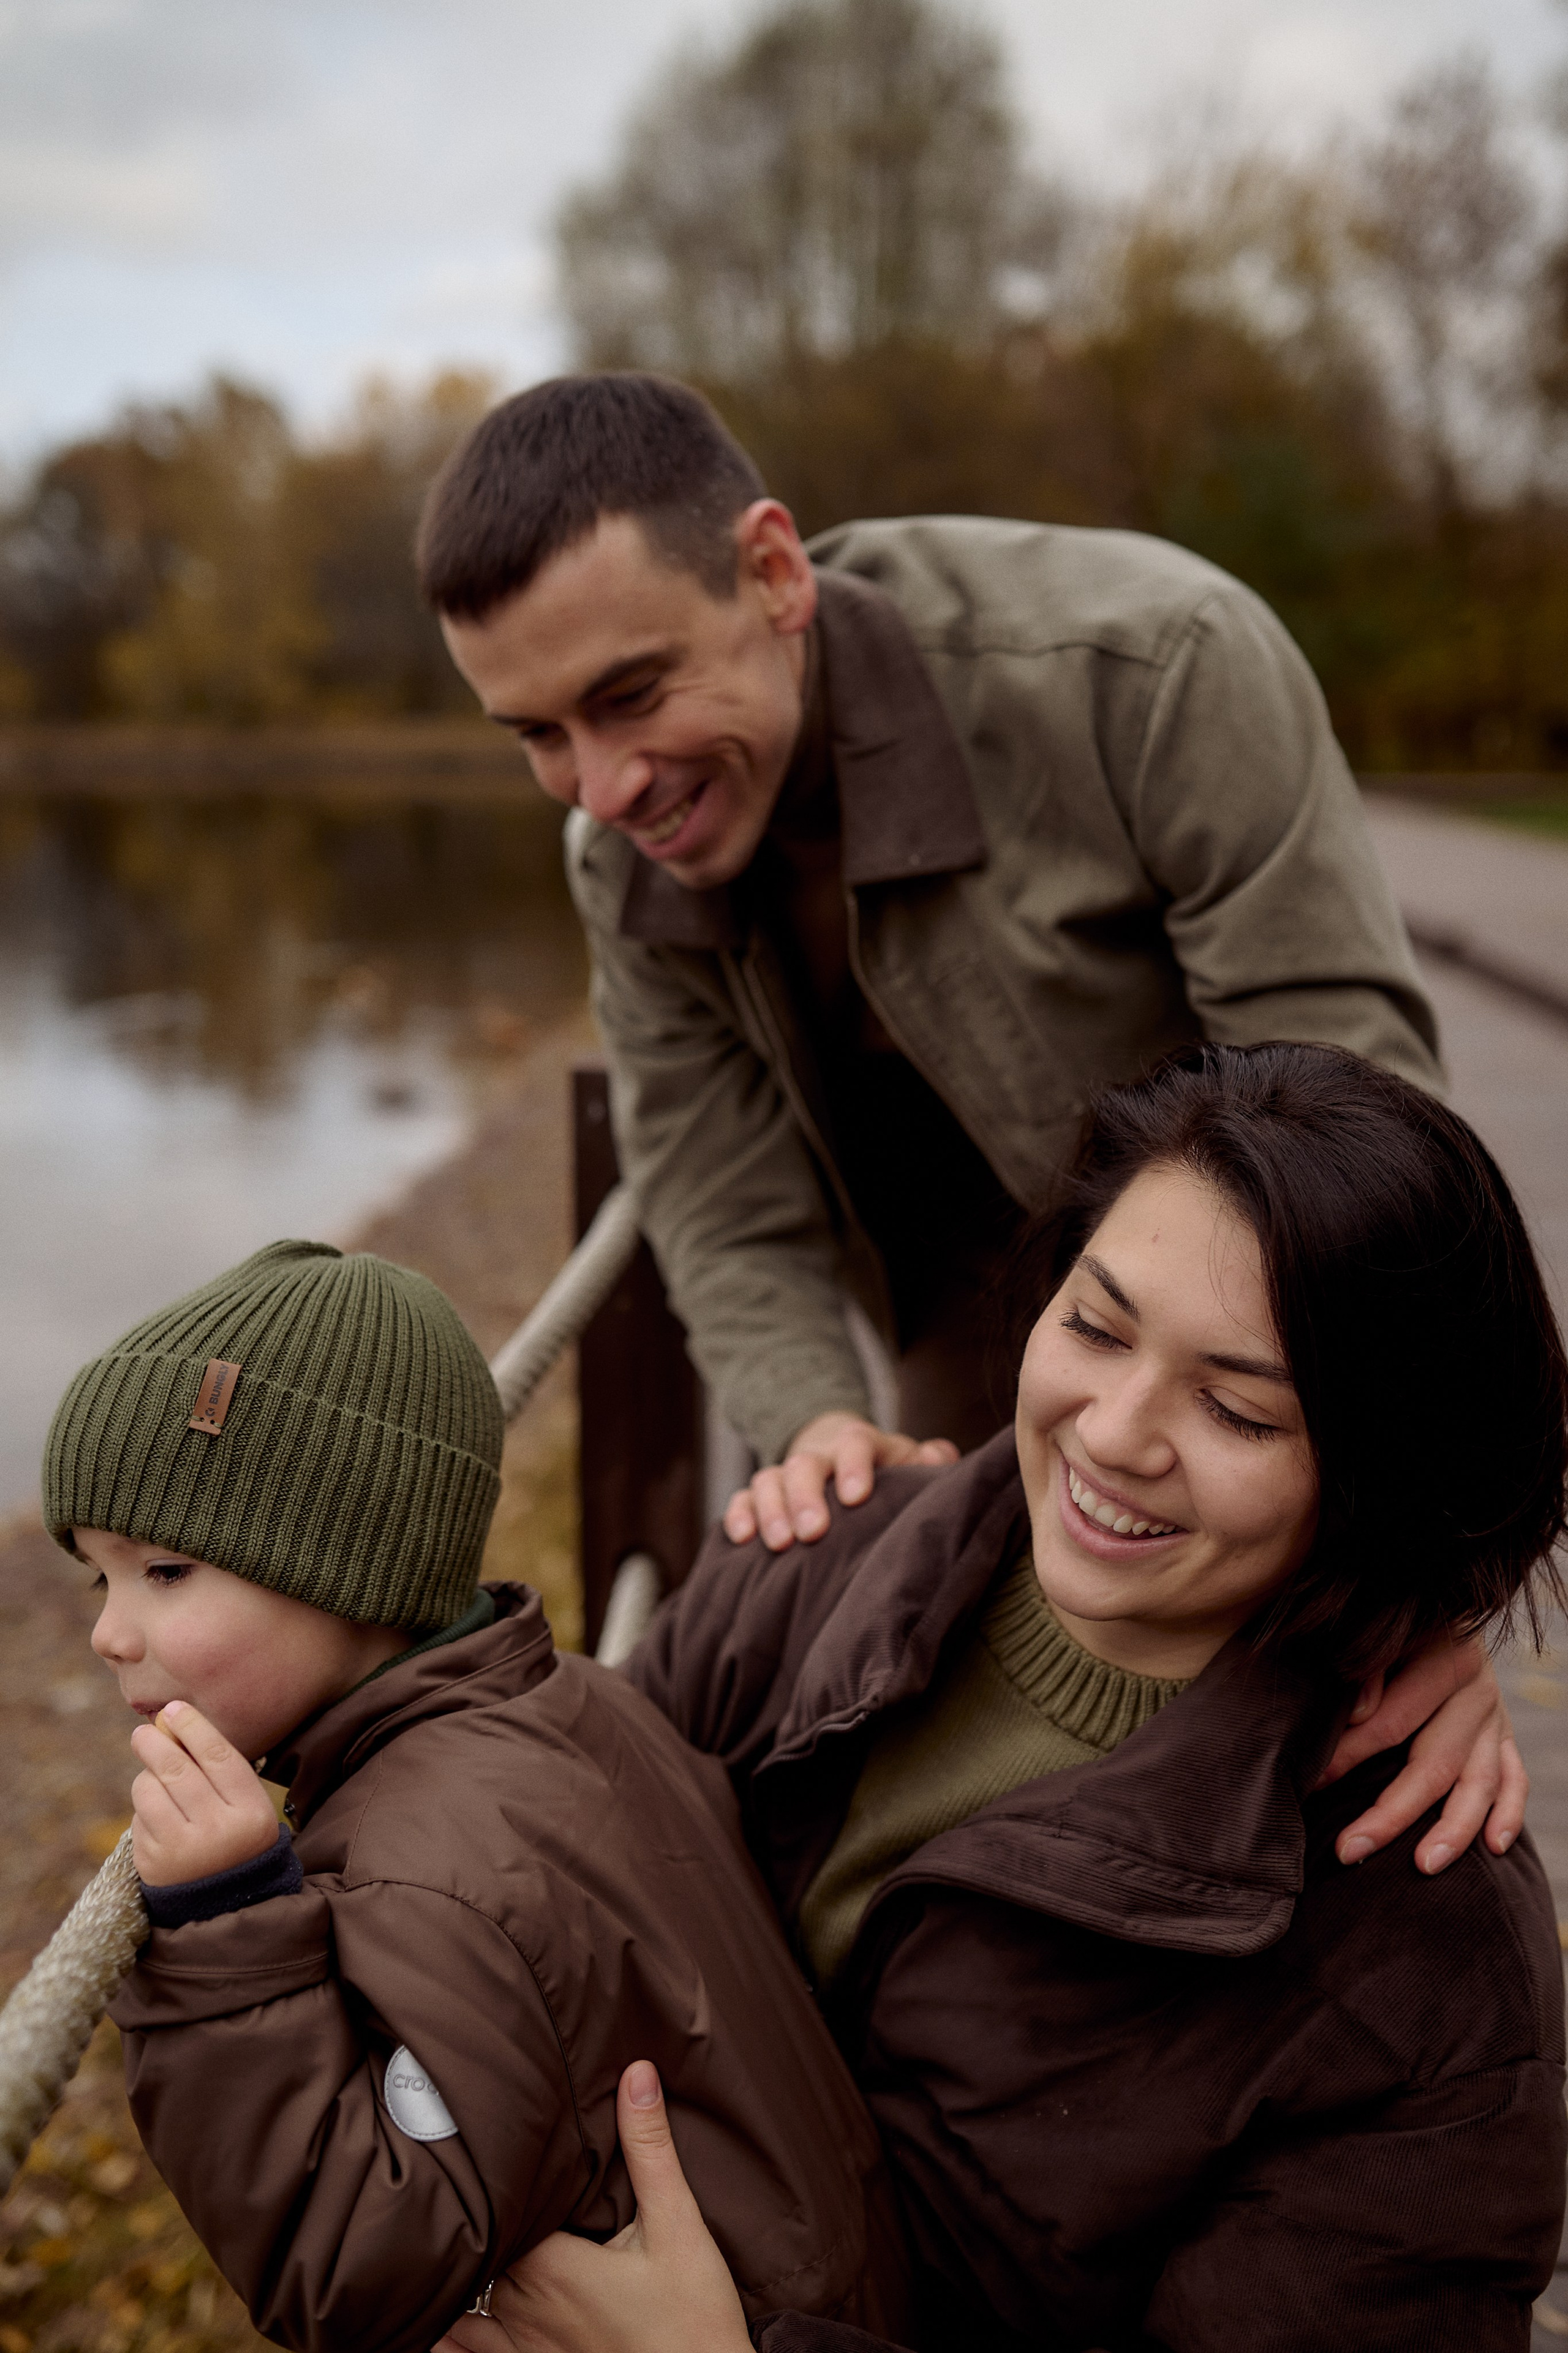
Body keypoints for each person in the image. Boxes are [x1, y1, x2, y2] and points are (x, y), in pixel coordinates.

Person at [420, 370, 1521, 1875]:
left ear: (772, 572)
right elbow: (718, 1197)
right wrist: (817, 1426)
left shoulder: (1157, 668)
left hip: (1237, 1311)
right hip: (943, 1317)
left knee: (1290, 1747)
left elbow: (1367, 1132)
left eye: (629, 695)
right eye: (534, 733)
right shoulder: (618, 859)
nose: (600, 788)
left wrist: (1420, 1586)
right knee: (981, 1717)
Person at [443, 1042, 1568, 2353]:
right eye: (1095, 1326)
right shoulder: (806, 1565)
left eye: (1236, 1411)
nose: (1113, 1433)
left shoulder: (1425, 1969)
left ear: (1381, 1469)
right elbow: (543, 1914)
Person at [45, 1241, 907, 2353]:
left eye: (165, 1571)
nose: (109, 1632)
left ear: (350, 1568)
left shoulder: (430, 1876)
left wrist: (225, 1934)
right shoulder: (570, 1696)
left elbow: (354, 2264)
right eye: (98, 1575)